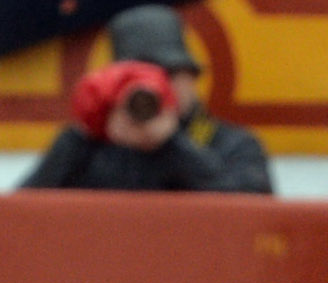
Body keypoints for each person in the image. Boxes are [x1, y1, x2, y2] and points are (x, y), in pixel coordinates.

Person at [19, 4, 272, 193]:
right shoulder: (90, 148)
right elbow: (19, 218)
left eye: (166, 75)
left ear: (191, 77)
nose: (155, 89)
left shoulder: (233, 145)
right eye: (138, 79)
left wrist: (171, 144)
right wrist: (85, 133)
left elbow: (254, 215)